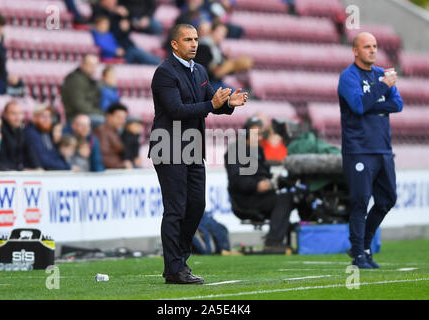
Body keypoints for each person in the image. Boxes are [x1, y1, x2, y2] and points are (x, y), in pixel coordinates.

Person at [149, 23, 248, 284]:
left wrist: (228, 104)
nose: (194, 44)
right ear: (174, 44)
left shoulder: (199, 70)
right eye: (188, 39)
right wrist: (212, 104)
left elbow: (210, 103)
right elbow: (176, 110)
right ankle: (174, 268)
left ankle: (179, 262)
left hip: (192, 146)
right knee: (176, 209)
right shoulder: (164, 73)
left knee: (196, 206)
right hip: (167, 144)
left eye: (195, 39)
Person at [338, 32, 403, 269]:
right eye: (367, 47)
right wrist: (381, 89)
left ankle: (363, 244)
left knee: (387, 200)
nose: (372, 50)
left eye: (375, 46)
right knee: (360, 201)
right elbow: (357, 106)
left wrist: (372, 99)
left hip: (383, 149)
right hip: (359, 150)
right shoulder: (348, 77)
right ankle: (358, 255)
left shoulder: (381, 73)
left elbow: (397, 104)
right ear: (355, 50)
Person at [225, 117, 294, 253]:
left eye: (260, 134)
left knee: (292, 195)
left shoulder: (258, 150)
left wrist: (275, 181)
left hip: (260, 196)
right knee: (284, 199)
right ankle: (273, 242)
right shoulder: (235, 150)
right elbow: (236, 182)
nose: (259, 137)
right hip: (245, 200)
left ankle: (280, 237)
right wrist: (257, 185)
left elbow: (264, 174)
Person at [194, 22, 253, 91]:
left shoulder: (216, 47)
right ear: (212, 31)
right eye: (219, 32)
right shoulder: (204, 46)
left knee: (241, 93)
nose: (221, 36)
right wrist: (232, 65)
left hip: (215, 82)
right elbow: (206, 72)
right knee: (239, 94)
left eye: (224, 34)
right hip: (206, 84)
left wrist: (229, 62)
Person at [60, 53, 103, 126]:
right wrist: (100, 113)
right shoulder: (75, 80)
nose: (93, 68)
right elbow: (79, 105)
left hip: (87, 114)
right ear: (83, 65)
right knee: (104, 121)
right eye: (90, 65)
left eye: (95, 65)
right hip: (75, 116)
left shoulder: (89, 80)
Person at [24, 105, 70, 170]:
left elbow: (53, 155)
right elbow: (44, 161)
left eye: (49, 116)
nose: (47, 120)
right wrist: (67, 167)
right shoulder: (31, 134)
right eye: (43, 116)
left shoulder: (45, 133)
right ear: (34, 118)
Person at [0, 101, 36, 171]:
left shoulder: (22, 130)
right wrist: (21, 170)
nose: (18, 117)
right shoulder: (0, 130)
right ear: (5, 114)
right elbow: (1, 160)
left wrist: (38, 167)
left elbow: (31, 152)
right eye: (13, 114)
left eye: (20, 113)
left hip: (16, 171)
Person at [95, 102, 131, 169]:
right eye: (119, 117)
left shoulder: (115, 132)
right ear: (108, 116)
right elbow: (103, 157)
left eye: (124, 118)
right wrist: (123, 165)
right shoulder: (102, 132)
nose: (122, 121)